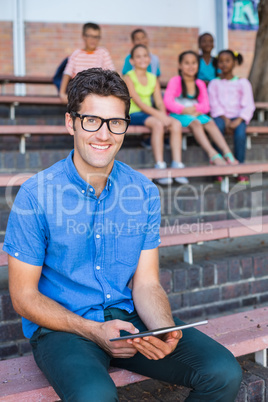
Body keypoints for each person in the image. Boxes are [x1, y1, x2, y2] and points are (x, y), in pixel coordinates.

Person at [4, 68, 242, 402]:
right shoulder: (35, 195)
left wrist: (163, 327)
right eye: (92, 120)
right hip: (65, 327)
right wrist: (93, 330)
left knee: (223, 371)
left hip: (127, 317)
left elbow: (146, 283)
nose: (104, 134)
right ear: (70, 122)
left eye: (115, 122)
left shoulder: (143, 191)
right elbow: (24, 297)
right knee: (94, 396)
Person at [124, 44, 188, 185]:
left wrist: (164, 114)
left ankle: (177, 165)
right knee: (158, 124)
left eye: (145, 56)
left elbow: (159, 101)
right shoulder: (128, 77)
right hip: (134, 113)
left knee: (175, 123)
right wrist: (161, 117)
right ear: (132, 61)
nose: (142, 59)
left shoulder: (153, 78)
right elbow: (139, 103)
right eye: (138, 56)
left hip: (150, 114)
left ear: (149, 59)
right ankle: (160, 166)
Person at [163, 50, 238, 167]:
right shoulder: (175, 81)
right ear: (180, 65)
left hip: (195, 113)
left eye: (194, 63)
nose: (191, 66)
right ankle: (212, 154)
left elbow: (206, 105)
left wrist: (195, 109)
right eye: (187, 63)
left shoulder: (199, 83)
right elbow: (168, 102)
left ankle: (227, 153)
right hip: (177, 115)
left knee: (210, 122)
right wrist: (184, 110)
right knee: (196, 124)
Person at [208, 49, 255, 184]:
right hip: (220, 116)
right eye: (221, 61)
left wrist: (239, 119)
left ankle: (239, 169)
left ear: (234, 62)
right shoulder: (214, 83)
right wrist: (225, 119)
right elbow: (214, 104)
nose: (224, 64)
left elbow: (248, 104)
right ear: (217, 64)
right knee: (217, 128)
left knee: (240, 134)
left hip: (238, 117)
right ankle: (217, 169)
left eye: (228, 61)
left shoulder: (243, 82)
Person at [59, 22, 114, 103]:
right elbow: (67, 73)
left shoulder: (103, 53)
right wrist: (62, 93)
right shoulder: (76, 54)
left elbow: (112, 74)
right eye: (90, 36)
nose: (93, 40)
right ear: (84, 36)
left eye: (96, 37)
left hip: (98, 92)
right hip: (79, 93)